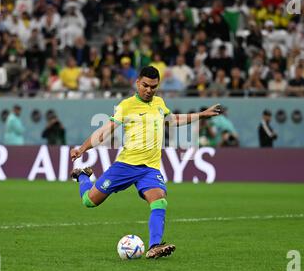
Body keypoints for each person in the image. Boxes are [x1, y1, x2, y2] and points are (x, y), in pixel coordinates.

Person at [69, 66, 224, 259]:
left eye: (153, 87)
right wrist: (82, 149)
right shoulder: (126, 105)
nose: (149, 90)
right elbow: (104, 131)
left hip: (149, 169)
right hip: (125, 166)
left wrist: (201, 115)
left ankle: (154, 246)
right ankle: (83, 175)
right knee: (89, 202)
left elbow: (173, 120)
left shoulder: (159, 103)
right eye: (145, 85)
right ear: (137, 83)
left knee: (159, 200)